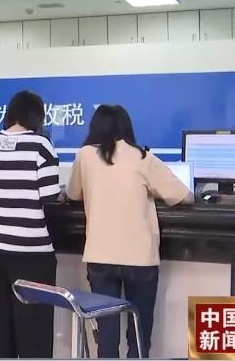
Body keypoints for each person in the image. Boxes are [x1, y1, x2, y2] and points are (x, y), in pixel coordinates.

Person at [65, 105, 193, 358]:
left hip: (100, 257)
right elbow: (184, 196)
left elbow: (72, 194)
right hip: (140, 260)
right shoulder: (142, 157)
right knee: (139, 334)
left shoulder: (85, 156)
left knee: (107, 336)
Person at [0, 90, 59, 358]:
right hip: (31, 256)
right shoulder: (41, 146)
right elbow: (50, 196)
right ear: (37, 117)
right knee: (34, 338)